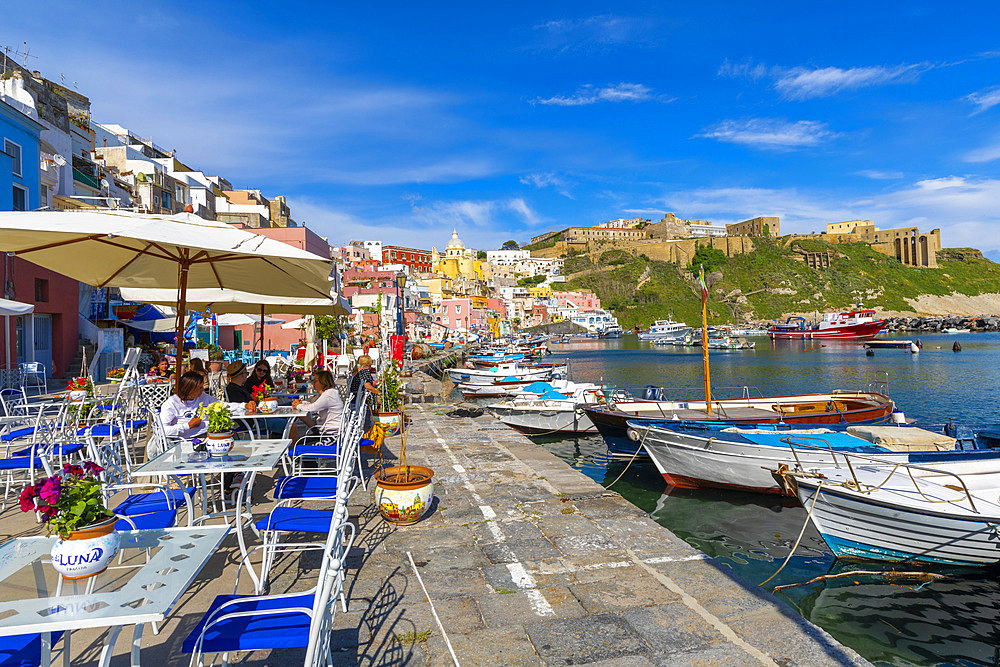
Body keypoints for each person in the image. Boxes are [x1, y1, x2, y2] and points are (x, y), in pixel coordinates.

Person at [156, 371, 255, 451]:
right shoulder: (171, 404)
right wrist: (187, 426)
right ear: (189, 389)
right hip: (191, 441)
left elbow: (222, 405)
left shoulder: (202, 397)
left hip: (208, 434)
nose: (203, 390)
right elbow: (162, 430)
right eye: (200, 387)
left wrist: (244, 405)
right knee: (225, 443)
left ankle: (232, 473)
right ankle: (229, 473)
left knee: (231, 436)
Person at [291, 370, 344, 440]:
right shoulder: (327, 393)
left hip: (331, 435)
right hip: (329, 431)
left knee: (298, 442)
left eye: (315, 381)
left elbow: (312, 408)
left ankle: (293, 449)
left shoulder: (328, 395)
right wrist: (300, 403)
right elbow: (311, 402)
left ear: (323, 382)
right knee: (301, 414)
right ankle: (315, 432)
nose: (312, 383)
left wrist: (298, 405)